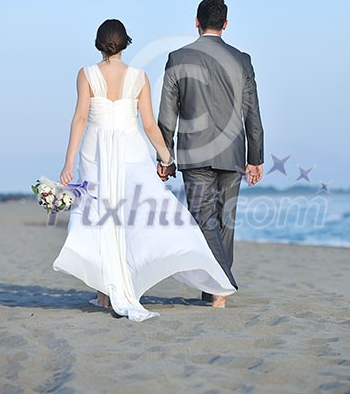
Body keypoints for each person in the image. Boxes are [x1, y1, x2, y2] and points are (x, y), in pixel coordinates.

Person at [53, 19, 236, 322]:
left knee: (100, 217)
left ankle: (104, 293)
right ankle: (210, 283)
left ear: (99, 43)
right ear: (126, 43)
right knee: (135, 216)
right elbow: (149, 125)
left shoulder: (86, 74)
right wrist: (166, 157)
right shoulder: (138, 77)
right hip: (130, 151)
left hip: (95, 151)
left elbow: (80, 118)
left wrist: (68, 163)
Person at [157, 0, 264, 306]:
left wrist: (165, 157)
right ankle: (216, 290)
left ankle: (220, 285)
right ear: (226, 24)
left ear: (196, 21)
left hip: (195, 154)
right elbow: (252, 112)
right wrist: (255, 156)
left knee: (206, 220)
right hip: (233, 152)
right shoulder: (242, 59)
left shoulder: (178, 58)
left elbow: (168, 114)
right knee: (223, 221)